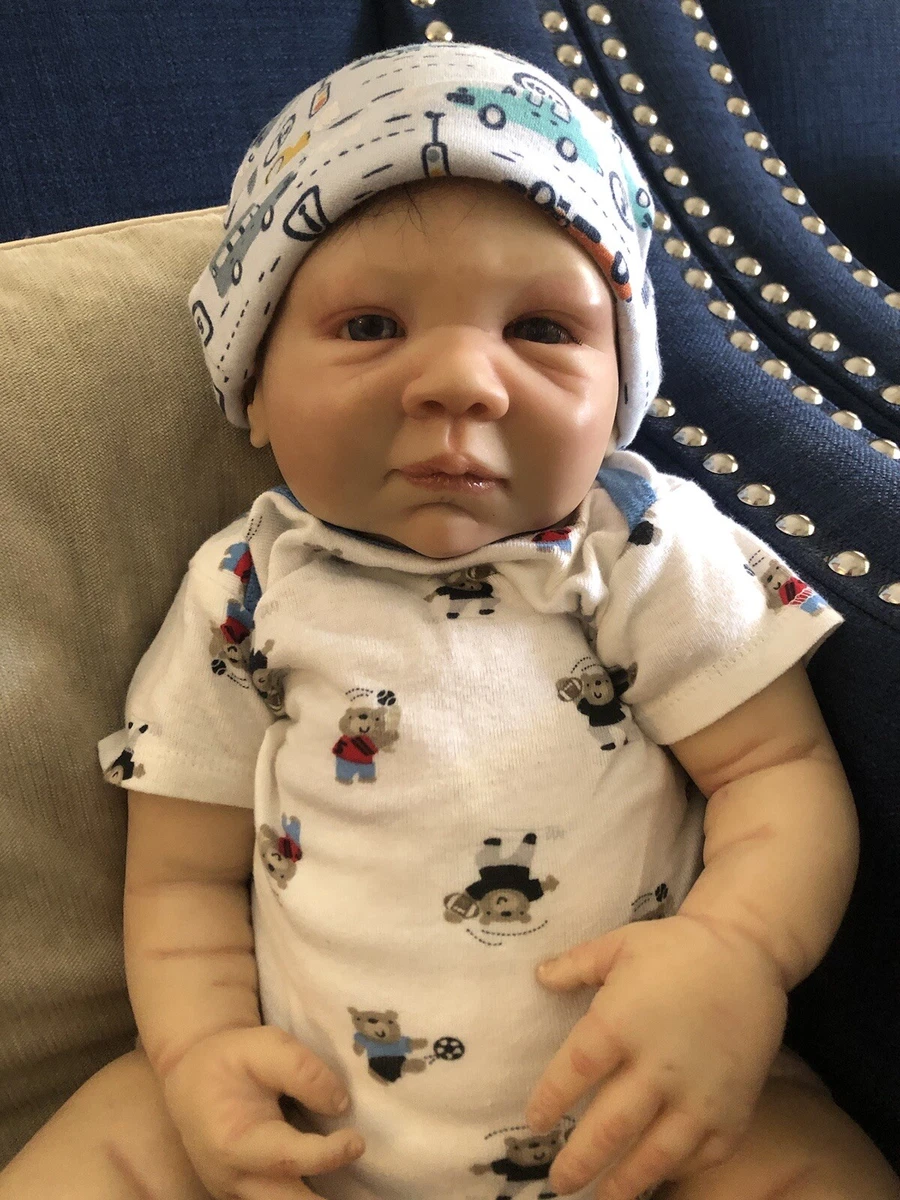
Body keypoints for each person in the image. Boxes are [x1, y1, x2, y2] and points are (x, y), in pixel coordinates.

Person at [3, 40, 897, 1200]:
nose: (463, 381)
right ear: (254, 388)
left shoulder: (640, 546)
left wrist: (737, 953)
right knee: (119, 1135)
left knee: (805, 1159)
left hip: (638, 1116)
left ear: (617, 398)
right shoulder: (246, 589)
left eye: (542, 330)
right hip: (312, 1126)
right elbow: (180, 880)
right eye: (373, 325)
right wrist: (198, 1054)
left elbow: (774, 772)